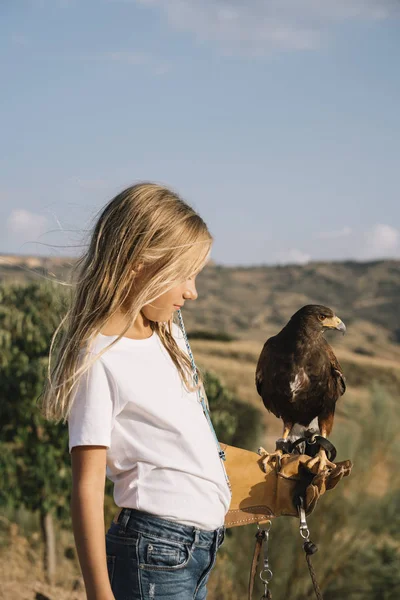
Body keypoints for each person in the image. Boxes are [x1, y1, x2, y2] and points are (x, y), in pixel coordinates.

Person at [40, 182, 231, 600]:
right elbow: (86, 487)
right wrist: (99, 595)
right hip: (155, 552)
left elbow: (185, 449)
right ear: (138, 264)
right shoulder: (100, 357)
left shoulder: (170, 336)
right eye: (183, 274)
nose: (192, 291)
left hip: (198, 550)